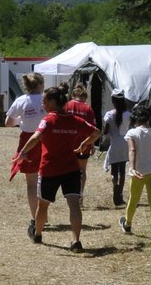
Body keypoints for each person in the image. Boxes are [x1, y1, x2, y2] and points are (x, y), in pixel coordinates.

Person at [17, 85, 100, 252]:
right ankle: (76, 241)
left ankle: (38, 234)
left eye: (45, 101)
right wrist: (85, 143)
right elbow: (96, 132)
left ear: (53, 102)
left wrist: (23, 151)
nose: (42, 104)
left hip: (49, 170)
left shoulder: (48, 120)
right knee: (74, 205)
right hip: (71, 169)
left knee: (43, 205)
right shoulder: (75, 120)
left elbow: (37, 136)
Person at [4, 72, 46, 239]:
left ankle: (35, 217)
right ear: (41, 85)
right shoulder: (46, 99)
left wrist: (21, 121)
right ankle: (44, 213)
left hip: (27, 142)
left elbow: (8, 123)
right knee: (45, 179)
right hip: (45, 139)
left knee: (31, 184)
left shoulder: (20, 101)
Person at [120, 102, 151, 239]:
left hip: (139, 172)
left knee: (134, 199)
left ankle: (127, 224)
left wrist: (133, 168)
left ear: (135, 118)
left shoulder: (132, 133)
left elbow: (132, 150)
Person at [101, 91, 132, 208]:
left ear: (113, 101)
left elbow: (105, 131)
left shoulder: (109, 115)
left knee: (114, 170)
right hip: (125, 142)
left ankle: (115, 187)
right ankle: (120, 195)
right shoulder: (128, 114)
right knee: (122, 170)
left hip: (114, 142)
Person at [65, 83, 97, 194]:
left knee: (69, 170)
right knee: (82, 171)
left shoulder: (67, 106)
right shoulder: (88, 108)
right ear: (85, 97)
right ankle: (80, 194)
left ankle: (70, 193)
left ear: (73, 95)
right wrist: (92, 144)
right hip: (84, 143)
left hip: (69, 143)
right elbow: (93, 130)